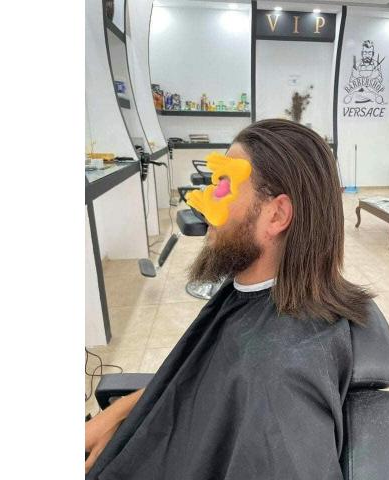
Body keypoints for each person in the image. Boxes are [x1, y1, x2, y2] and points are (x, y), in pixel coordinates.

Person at [85, 119, 373, 479]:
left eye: (223, 187)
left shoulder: (277, 386)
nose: (204, 203)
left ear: (277, 215)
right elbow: (194, 378)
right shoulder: (254, 288)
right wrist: (120, 413)